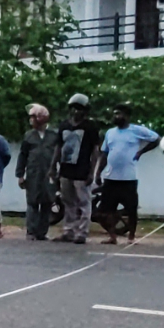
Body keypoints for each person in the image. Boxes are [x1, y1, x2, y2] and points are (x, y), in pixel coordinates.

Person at [94, 103, 159, 244]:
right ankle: (112, 236)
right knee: (105, 211)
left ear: (127, 116)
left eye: (119, 114)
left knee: (131, 209)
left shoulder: (136, 130)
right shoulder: (110, 133)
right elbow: (105, 154)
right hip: (111, 177)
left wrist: (141, 152)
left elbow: (156, 139)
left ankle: (131, 237)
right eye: (115, 114)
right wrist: (98, 172)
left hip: (128, 178)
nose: (116, 117)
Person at [52, 93, 101, 244]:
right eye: (73, 108)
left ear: (85, 111)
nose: (76, 112)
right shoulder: (64, 126)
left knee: (84, 202)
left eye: (79, 109)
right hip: (66, 170)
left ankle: (82, 232)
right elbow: (58, 147)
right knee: (68, 202)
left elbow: (95, 151)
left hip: (82, 171)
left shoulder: (90, 127)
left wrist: (92, 172)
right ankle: (69, 231)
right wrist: (53, 165)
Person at [15, 104, 56, 240]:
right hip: (33, 174)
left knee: (47, 203)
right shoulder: (29, 136)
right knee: (32, 202)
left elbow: (59, 155)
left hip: (49, 174)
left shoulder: (53, 135)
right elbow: (23, 156)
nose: (31, 120)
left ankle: (42, 233)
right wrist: (20, 175)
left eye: (33, 117)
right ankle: (31, 231)